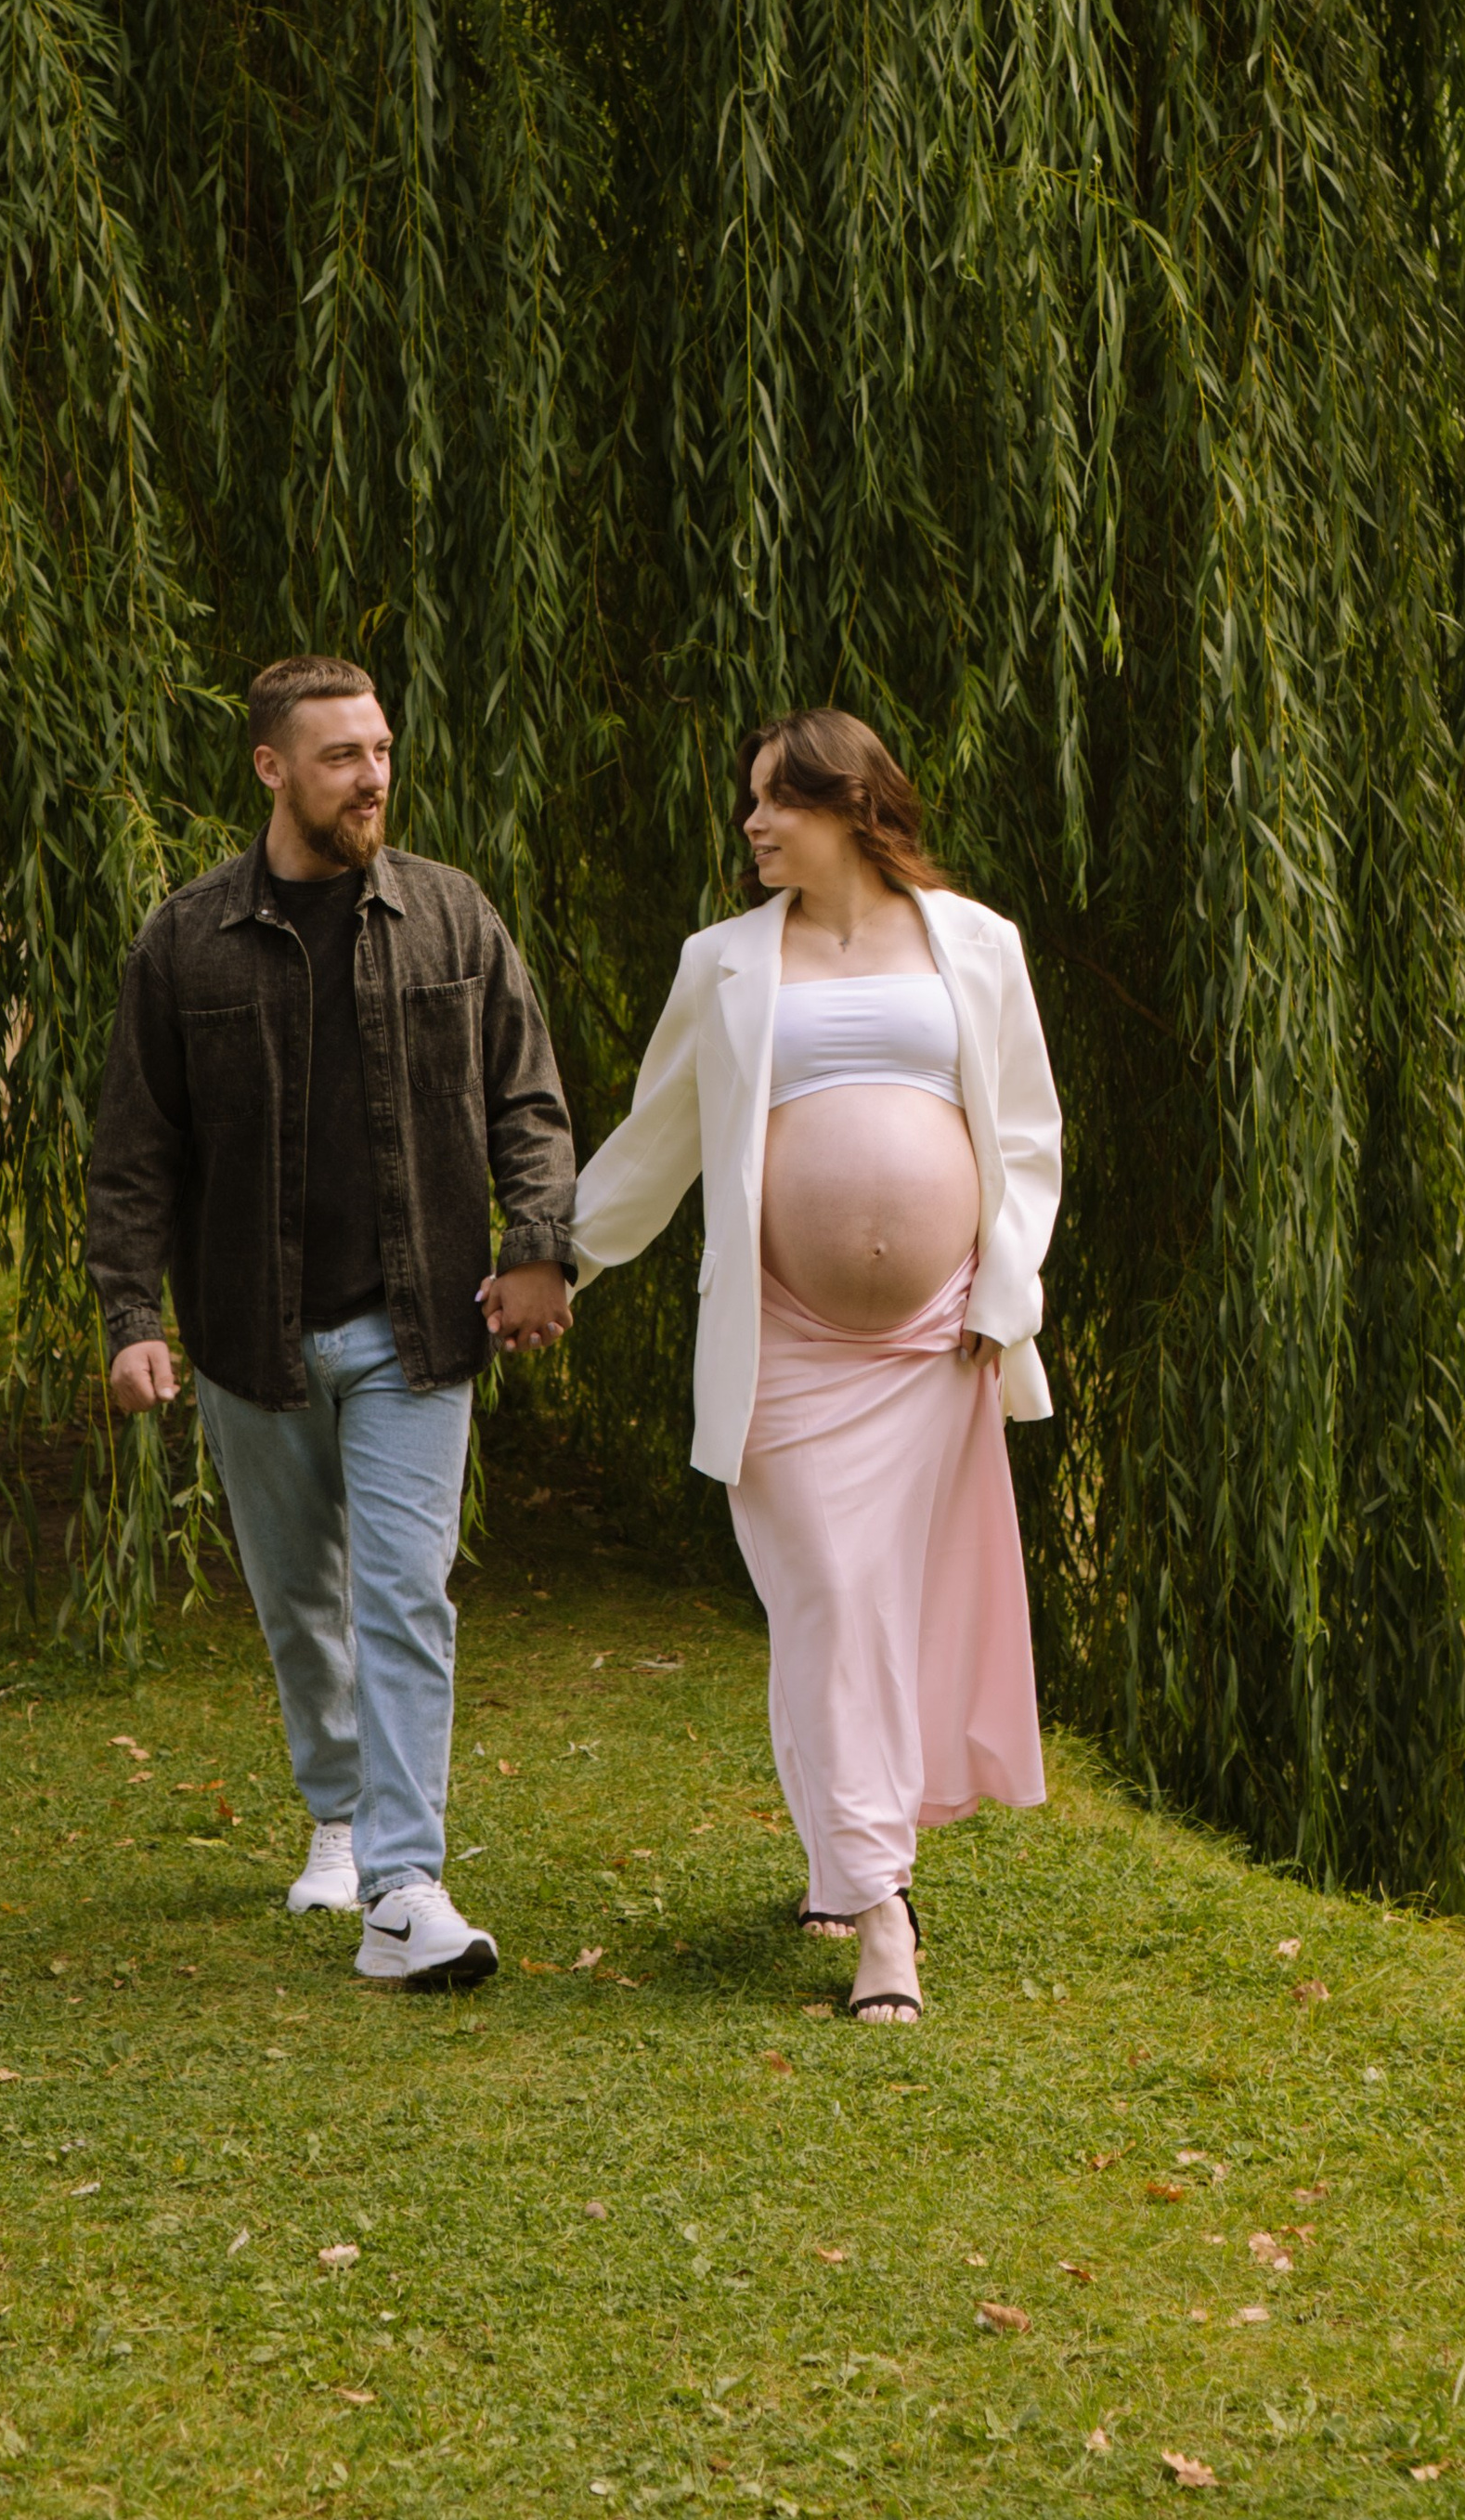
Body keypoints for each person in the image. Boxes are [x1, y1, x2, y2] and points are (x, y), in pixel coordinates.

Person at [87, 655, 577, 1991]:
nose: (372, 775)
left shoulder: (450, 917)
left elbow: (528, 1103)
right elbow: (137, 1151)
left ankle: (406, 1887)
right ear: (271, 768)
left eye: (380, 748)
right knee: (304, 1600)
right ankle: (340, 1815)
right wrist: (135, 1314)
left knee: (406, 1594)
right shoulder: (183, 942)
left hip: (419, 1324)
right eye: (340, 755)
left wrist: (540, 1251)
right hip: (254, 1331)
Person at [563, 707, 1060, 2021]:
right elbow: (655, 1140)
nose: (752, 824)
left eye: (775, 800)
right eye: (752, 801)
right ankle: (880, 1915)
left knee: (876, 1608)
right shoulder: (724, 963)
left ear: (851, 805)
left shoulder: (977, 945)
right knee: (832, 1593)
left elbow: (1025, 1139)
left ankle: (847, 1855)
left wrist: (1003, 1300)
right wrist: (555, 1259)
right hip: (785, 1342)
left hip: (931, 1339)